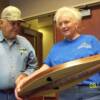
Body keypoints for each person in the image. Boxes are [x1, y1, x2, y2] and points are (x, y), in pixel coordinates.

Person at [17, 7, 100, 100]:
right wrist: (25, 80)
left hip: (92, 89)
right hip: (65, 92)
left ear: (76, 23)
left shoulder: (91, 40)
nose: (63, 26)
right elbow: (44, 69)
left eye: (66, 22)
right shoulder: (56, 48)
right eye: (60, 24)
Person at [0, 5, 38, 100]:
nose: (16, 28)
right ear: (1, 23)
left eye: (19, 24)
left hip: (19, 94)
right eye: (13, 23)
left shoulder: (24, 43)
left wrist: (25, 74)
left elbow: (33, 65)